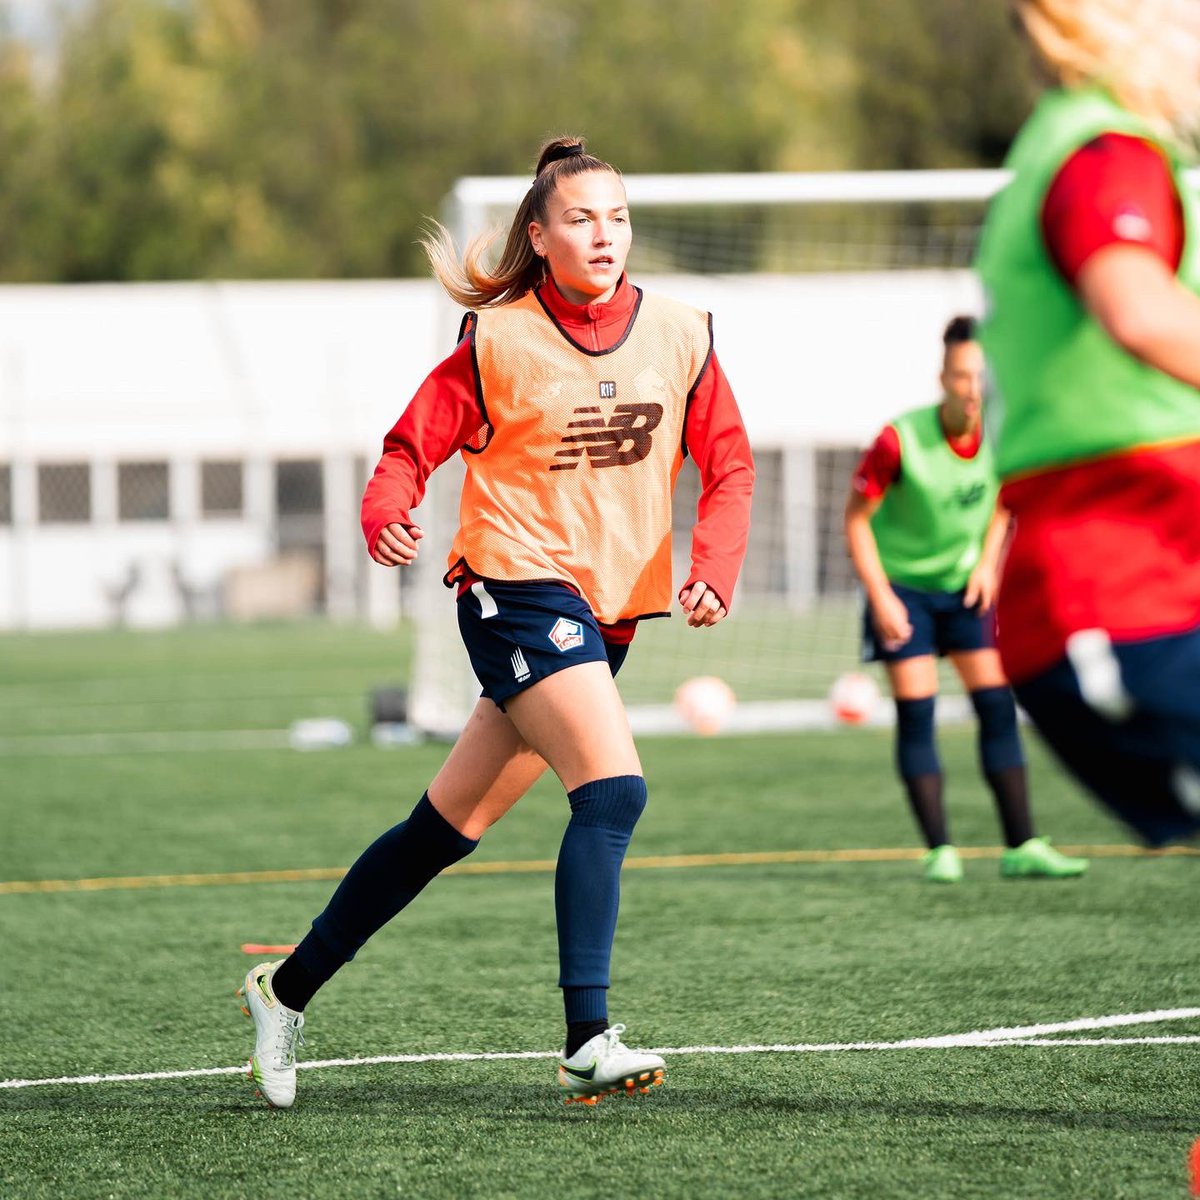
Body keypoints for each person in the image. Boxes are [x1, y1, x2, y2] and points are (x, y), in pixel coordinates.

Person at [238, 136, 755, 1108]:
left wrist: (714, 568)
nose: (604, 234)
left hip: (603, 615)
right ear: (539, 234)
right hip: (512, 587)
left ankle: (284, 989)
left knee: (444, 828)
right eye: (580, 218)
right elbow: (408, 447)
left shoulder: (684, 334)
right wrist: (383, 510)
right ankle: (586, 1036)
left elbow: (729, 465)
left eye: (618, 216)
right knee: (613, 792)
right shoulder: (501, 339)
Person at [973, 0, 1200, 847]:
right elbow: (1138, 312)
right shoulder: (1103, 152)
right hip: (1131, 591)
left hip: (1146, 571)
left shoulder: (1071, 144)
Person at [844, 316, 1088, 883]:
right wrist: (881, 598)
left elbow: (1004, 502)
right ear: (943, 378)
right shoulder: (897, 439)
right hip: (903, 592)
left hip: (966, 589)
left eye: (980, 375)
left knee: (998, 707)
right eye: (960, 376)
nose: (972, 388)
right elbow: (856, 522)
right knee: (919, 714)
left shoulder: (1005, 433)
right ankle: (939, 850)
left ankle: (1022, 845)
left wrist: (986, 563)